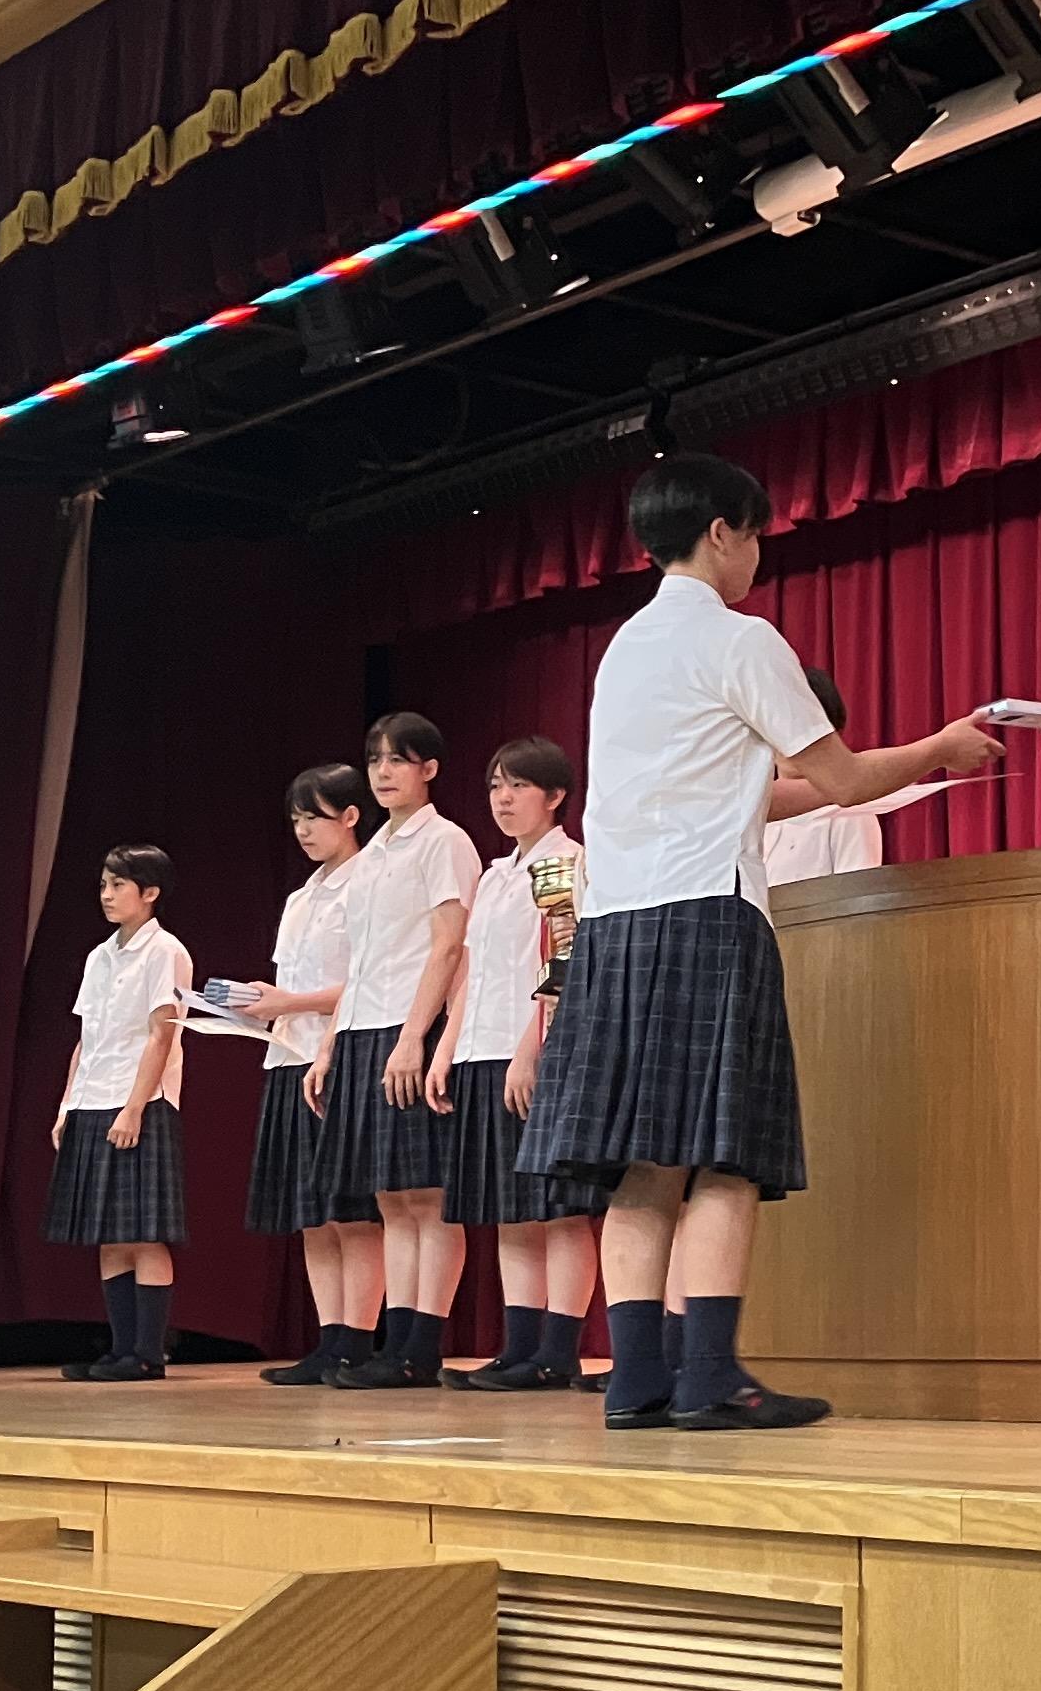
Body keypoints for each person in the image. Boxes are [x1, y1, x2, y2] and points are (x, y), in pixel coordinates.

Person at [517, 450, 1002, 1433]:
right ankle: (710, 1377)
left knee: (641, 1165)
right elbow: (846, 779)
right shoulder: (741, 639)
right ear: (722, 532)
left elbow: (732, 792)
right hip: (707, 917)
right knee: (726, 1158)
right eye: (754, 536)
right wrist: (941, 749)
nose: (757, 556)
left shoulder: (625, 649)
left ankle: (635, 1380)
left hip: (615, 929)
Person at [309, 713, 478, 1389]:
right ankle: (397, 1343)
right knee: (389, 1197)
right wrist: (331, 1045)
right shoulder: (373, 853)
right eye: (375, 760)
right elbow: (361, 960)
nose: (383, 772)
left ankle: (421, 1346)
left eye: (398, 760)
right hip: (362, 1030)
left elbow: (450, 946)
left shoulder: (445, 841)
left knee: (427, 1196)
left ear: (428, 769)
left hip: (413, 1026)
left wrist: (414, 1037)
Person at [436, 735, 605, 1393]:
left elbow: (563, 964)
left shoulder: (566, 863)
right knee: (511, 1209)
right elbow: (473, 970)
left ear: (555, 796)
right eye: (495, 786)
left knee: (557, 1207)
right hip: (481, 1051)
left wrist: (531, 1051)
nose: (503, 799)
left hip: (539, 1052)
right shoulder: (494, 874)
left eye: (518, 786)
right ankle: (520, 1347)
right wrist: (447, 1048)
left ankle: (559, 1350)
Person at [229, 763, 384, 1387]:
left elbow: (373, 979)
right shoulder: (300, 898)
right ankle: (329, 1341)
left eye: (314, 817)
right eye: (295, 819)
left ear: (350, 816)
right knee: (313, 1214)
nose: (302, 830)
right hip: (289, 1055)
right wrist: (256, 1006)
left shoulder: (368, 882)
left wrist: (288, 1002)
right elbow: (290, 984)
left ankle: (359, 1341)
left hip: (343, 1055)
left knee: (353, 1212)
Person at [44, 844, 192, 1383]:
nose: (106, 895)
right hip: (93, 1098)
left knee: (144, 1233)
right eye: (104, 884)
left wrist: (133, 1109)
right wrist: (67, 1104)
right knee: (109, 1232)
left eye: (118, 885)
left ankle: (148, 1353)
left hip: (140, 1101)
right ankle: (120, 1349)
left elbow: (161, 1034)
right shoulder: (99, 956)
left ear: (149, 892)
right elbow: (87, 1038)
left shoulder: (165, 951)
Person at [760, 667, 888, 888]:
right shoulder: (751, 809)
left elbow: (858, 896)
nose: (792, 742)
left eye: (804, 728)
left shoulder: (851, 813)